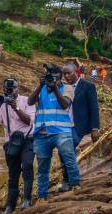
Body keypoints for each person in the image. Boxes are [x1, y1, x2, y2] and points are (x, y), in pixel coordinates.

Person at [28, 66, 80, 200]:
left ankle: (76, 185)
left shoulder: (67, 88)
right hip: (42, 133)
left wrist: (55, 88)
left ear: (60, 79)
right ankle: (42, 196)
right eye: (50, 78)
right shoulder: (42, 89)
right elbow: (30, 101)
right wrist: (40, 86)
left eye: (55, 78)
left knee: (69, 159)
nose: (52, 81)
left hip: (61, 131)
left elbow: (65, 104)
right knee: (42, 167)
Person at [0, 79, 35, 214]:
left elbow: (29, 121)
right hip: (10, 143)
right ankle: (10, 205)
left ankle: (27, 200)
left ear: (18, 88)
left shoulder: (27, 101)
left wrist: (15, 107)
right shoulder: (1, 103)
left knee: (27, 166)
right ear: (4, 89)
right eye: (7, 89)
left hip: (27, 139)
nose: (10, 91)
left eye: (13, 88)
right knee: (13, 174)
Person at [62, 62, 100, 191]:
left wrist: (95, 128)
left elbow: (94, 107)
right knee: (64, 151)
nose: (66, 76)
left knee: (67, 148)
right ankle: (67, 179)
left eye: (69, 73)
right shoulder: (63, 88)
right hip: (64, 125)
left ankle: (70, 181)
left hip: (79, 125)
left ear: (76, 72)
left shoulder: (87, 86)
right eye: (64, 74)